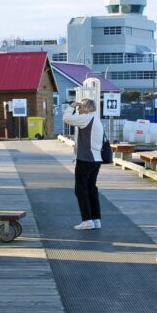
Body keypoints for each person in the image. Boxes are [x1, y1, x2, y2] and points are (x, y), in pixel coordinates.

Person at [62, 98, 104, 230]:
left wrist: (72, 106)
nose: (78, 110)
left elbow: (67, 118)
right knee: (91, 189)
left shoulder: (86, 118)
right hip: (96, 159)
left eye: (80, 107)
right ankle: (96, 219)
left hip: (85, 159)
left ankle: (87, 220)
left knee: (80, 190)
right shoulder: (96, 119)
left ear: (85, 108)